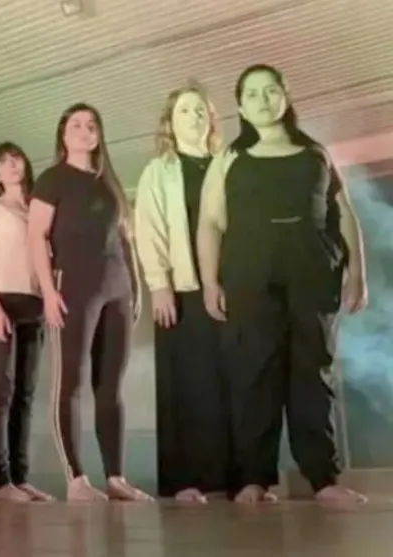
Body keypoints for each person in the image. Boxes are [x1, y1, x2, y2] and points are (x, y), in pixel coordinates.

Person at [196, 64, 368, 505]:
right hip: (249, 274)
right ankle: (254, 479)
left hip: (313, 271)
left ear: (285, 98)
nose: (263, 100)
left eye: (271, 91)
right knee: (254, 372)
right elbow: (211, 223)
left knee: (313, 371)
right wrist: (210, 281)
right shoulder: (229, 158)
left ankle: (324, 479)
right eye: (252, 94)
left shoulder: (315, 153)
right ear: (240, 106)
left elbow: (343, 213)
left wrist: (356, 274)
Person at [27, 103, 149, 502]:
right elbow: (36, 237)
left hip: (117, 287)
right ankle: (76, 479)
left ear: (99, 136)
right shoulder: (52, 179)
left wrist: (135, 286)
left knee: (110, 385)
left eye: (91, 125)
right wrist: (48, 291)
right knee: (72, 382)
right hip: (74, 288)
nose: (85, 130)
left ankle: (116, 477)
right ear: (63, 134)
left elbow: (124, 238)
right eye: (76, 125)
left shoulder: (107, 182)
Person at [134, 84, 235, 503]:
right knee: (187, 384)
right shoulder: (158, 171)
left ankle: (235, 480)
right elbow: (149, 228)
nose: (193, 117)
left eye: (199, 110)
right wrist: (159, 284)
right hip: (182, 290)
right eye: (183, 111)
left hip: (231, 288)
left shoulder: (228, 164)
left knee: (232, 382)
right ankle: (185, 481)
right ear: (169, 124)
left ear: (211, 119)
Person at [0, 142, 51, 502]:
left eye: (16, 158)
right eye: (2, 162)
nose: (12, 165)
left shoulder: (38, 210)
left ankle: (20, 476)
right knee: (0, 391)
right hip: (3, 301)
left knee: (25, 394)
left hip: (35, 305)